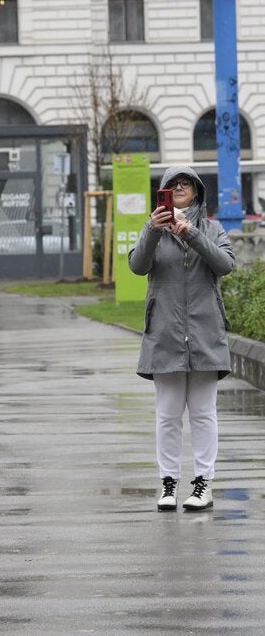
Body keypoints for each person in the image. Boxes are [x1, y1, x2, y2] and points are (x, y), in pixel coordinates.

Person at [128, 166, 234, 513]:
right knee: (167, 414)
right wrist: (152, 229)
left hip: (204, 333)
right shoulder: (154, 230)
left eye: (185, 185)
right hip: (165, 333)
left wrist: (192, 235)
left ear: (197, 193)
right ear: (163, 193)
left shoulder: (212, 229)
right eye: (171, 186)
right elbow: (137, 266)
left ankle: (203, 484)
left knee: (203, 414)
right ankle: (168, 483)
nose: (178, 189)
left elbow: (224, 265)